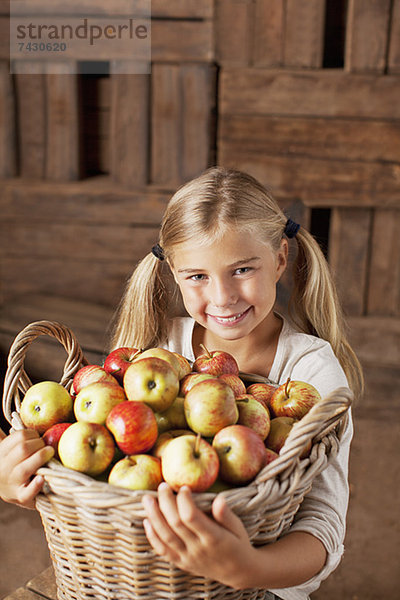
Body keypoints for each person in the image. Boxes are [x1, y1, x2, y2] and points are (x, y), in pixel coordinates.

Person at [0, 167, 363, 600]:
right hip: (135, 579)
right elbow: (101, 478)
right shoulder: (156, 354)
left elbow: (322, 529)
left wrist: (247, 567)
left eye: (243, 269)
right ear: (173, 271)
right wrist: (34, 487)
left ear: (281, 258)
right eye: (197, 276)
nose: (223, 297)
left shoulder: (313, 373)